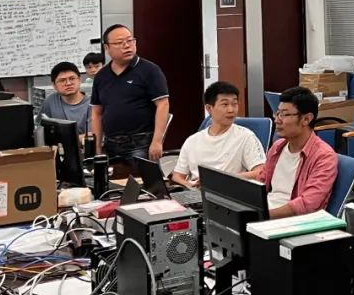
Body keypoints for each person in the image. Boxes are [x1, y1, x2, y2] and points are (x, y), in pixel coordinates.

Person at [90, 25, 170, 163]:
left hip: (141, 143)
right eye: (119, 42)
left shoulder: (150, 70)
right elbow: (97, 113)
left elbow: (163, 104)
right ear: (107, 48)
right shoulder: (101, 76)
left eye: (130, 40)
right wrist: (97, 148)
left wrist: (157, 141)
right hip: (110, 143)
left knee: (139, 176)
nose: (127, 46)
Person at [259, 86, 338, 218]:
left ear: (306, 119)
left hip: (291, 221)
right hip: (266, 211)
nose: (277, 120)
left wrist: (262, 216)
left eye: (284, 114)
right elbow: (261, 182)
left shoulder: (324, 156)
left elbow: (307, 205)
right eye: (277, 113)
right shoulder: (277, 147)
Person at [171, 81, 265, 188]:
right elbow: (177, 176)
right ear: (209, 108)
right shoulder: (192, 141)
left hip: (228, 192)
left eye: (234, 104)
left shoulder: (246, 137)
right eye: (225, 104)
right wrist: (189, 185)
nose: (231, 110)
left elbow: (261, 172)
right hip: (197, 192)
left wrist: (222, 179)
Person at [39, 61, 91, 134]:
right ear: (54, 85)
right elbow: (39, 128)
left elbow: (94, 135)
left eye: (72, 78)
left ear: (79, 80)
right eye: (62, 80)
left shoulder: (92, 103)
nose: (68, 83)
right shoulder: (50, 101)